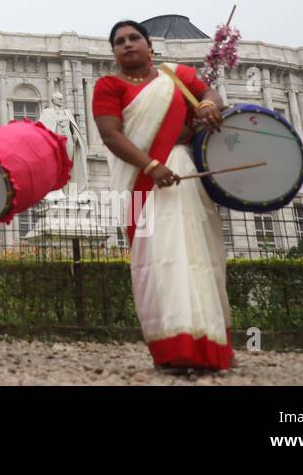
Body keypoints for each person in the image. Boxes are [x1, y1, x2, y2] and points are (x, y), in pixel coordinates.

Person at [92, 19, 230, 372]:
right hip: (138, 182)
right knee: (154, 263)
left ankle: (211, 348)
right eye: (119, 41)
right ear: (114, 53)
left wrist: (207, 106)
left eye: (134, 37)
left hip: (184, 177)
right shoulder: (108, 86)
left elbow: (210, 93)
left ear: (149, 45)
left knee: (199, 258)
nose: (127, 44)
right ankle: (174, 349)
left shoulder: (176, 77)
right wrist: (151, 166)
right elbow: (111, 135)